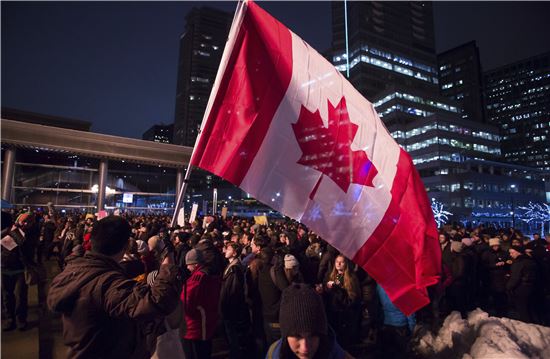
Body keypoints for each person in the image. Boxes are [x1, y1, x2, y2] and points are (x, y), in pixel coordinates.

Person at [47, 215, 182, 358]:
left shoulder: (75, 269)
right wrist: (168, 262)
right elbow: (157, 301)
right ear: (124, 247)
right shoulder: (106, 283)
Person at [266, 283, 352, 359]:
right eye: (297, 336)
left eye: (313, 335)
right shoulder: (273, 355)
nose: (305, 348)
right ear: (285, 334)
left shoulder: (333, 351)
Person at [181, 248, 222, 359]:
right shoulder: (211, 274)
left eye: (189, 265)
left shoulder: (197, 278)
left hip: (195, 327)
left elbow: (187, 302)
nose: (187, 268)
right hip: (206, 324)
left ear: (195, 264)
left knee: (195, 353)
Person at [1, 212, 38, 331]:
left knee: (20, 296)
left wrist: (14, 231)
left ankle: (21, 320)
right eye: (23, 220)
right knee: (7, 296)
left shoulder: (30, 233)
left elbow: (24, 244)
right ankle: (9, 319)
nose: (25, 223)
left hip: (20, 269)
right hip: (4, 267)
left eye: (28, 221)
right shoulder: (7, 229)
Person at [220, 242, 252, 359]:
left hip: (231, 309)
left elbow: (233, 291)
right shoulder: (232, 266)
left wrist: (226, 307)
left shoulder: (234, 268)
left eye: (228, 249)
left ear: (234, 252)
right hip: (230, 308)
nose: (225, 251)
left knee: (233, 337)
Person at [324, 255, 361, 351]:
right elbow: (331, 297)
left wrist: (338, 291)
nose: (339, 264)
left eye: (342, 262)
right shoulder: (333, 276)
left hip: (346, 318)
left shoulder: (351, 278)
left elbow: (351, 301)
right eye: (337, 261)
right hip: (334, 315)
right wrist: (325, 289)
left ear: (346, 264)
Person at [376, 285, 416, 358]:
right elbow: (410, 310)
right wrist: (411, 327)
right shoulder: (403, 287)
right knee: (400, 353)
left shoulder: (380, 285)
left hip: (386, 323)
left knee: (388, 353)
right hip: (401, 325)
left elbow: (378, 304)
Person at [506, 245, 536, 323]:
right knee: (530, 309)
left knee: (523, 310)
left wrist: (508, 287)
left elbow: (515, 278)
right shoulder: (529, 260)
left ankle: (527, 326)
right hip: (531, 287)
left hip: (521, 289)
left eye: (512, 253)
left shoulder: (519, 263)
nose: (510, 255)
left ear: (518, 253)